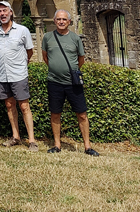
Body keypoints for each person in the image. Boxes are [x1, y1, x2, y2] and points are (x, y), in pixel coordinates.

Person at [42, 9, 98, 156]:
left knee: (82, 113)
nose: (61, 22)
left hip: (73, 83)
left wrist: (71, 71)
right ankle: (57, 144)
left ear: (69, 22)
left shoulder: (75, 38)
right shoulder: (48, 37)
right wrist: (56, 69)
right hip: (54, 82)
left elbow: (81, 59)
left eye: (64, 19)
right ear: (54, 21)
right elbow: (45, 57)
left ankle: (87, 146)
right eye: (58, 19)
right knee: (55, 113)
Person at [0, 1, 38, 151]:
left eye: (5, 11)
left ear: (11, 12)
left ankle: (31, 140)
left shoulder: (22, 30)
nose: (2, 14)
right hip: (3, 75)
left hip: (18, 74)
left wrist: (21, 63)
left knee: (24, 106)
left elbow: (29, 51)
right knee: (9, 106)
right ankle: (16, 136)